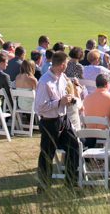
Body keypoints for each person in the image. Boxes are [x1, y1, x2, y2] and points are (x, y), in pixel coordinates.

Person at [33, 50, 79, 192]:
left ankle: (71, 182)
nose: (67, 66)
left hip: (63, 119)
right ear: (61, 65)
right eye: (66, 63)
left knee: (74, 147)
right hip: (50, 122)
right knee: (47, 154)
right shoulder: (45, 81)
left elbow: (65, 94)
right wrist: (59, 102)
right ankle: (43, 185)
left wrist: (69, 99)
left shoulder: (63, 77)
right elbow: (39, 107)